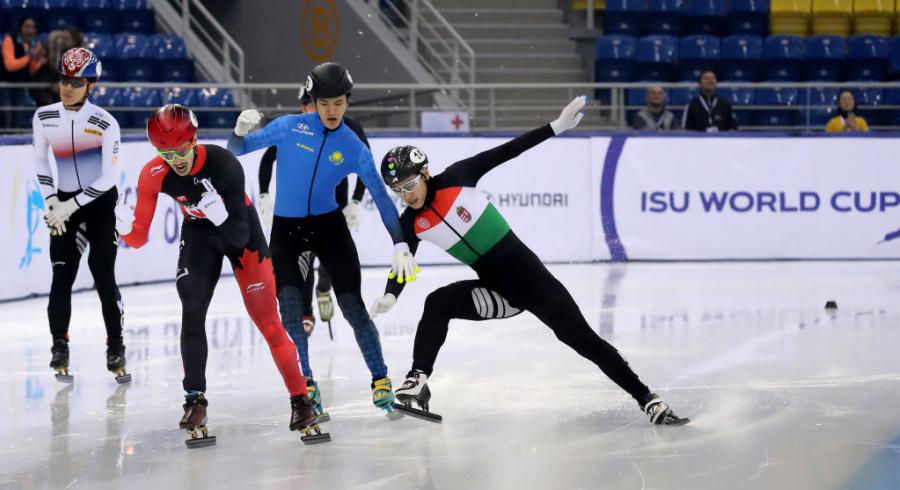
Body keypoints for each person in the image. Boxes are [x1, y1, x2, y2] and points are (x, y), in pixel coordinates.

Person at [369, 96, 689, 427]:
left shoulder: (458, 177)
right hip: (497, 294)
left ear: (425, 172)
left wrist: (556, 127)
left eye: (409, 185)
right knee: (437, 303)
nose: (407, 195)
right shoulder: (410, 223)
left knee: (582, 339)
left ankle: (648, 399)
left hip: (531, 281)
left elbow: (509, 150)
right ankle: (418, 379)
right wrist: (392, 294)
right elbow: (402, 266)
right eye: (398, 190)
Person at [116, 104, 328, 447]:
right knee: (192, 310)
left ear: (194, 140)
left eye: (182, 150)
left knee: (267, 321)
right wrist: (123, 226)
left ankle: (301, 401)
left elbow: (239, 236)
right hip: (199, 235)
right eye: (166, 153)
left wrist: (219, 215)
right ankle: (194, 402)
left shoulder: (223, 164)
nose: (176, 160)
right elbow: (138, 238)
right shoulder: (153, 173)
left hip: (239, 230)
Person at [228, 61, 418, 420]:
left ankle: (380, 379)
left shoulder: (353, 145)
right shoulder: (288, 127)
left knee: (353, 308)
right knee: (290, 307)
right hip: (288, 230)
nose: (332, 111)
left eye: (339, 103)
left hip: (330, 228)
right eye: (325, 103)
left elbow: (380, 194)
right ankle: (306, 386)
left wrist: (400, 242)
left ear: (347, 102)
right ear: (313, 101)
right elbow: (237, 150)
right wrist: (238, 132)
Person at [31, 47, 128, 384]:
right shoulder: (44, 118)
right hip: (64, 203)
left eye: (75, 81)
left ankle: (115, 345)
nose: (67, 86)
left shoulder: (104, 123)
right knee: (61, 276)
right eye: (62, 79)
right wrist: (51, 202)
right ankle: (59, 344)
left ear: (91, 85)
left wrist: (69, 206)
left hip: (99, 204)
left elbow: (108, 178)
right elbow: (42, 163)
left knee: (103, 274)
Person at [257, 86, 368, 342]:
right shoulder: (294, 128)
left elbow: (366, 163)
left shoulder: (347, 126)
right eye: (307, 106)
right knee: (301, 261)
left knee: (332, 260)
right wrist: (264, 195)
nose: (312, 111)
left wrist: (355, 202)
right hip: (300, 213)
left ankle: (324, 287)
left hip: (333, 208)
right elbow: (267, 159)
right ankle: (306, 313)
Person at [1, 16, 46, 127]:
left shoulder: (35, 43)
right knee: (6, 118)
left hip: (21, 85)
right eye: (27, 27)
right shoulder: (9, 40)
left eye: (32, 27)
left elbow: (31, 70)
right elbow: (10, 66)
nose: (30, 30)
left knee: (17, 118)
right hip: (5, 85)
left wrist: (40, 61)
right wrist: (30, 57)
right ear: (21, 28)